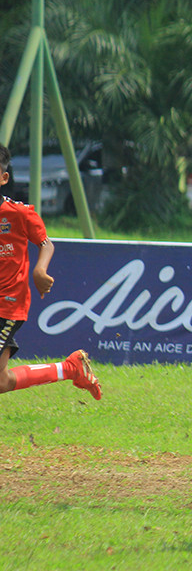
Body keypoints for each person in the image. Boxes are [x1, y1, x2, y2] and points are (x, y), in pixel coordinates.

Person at [0, 144, 102, 401]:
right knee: (2, 381)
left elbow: (46, 243)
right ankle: (71, 368)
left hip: (7, 303)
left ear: (4, 178)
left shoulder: (18, 213)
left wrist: (40, 269)